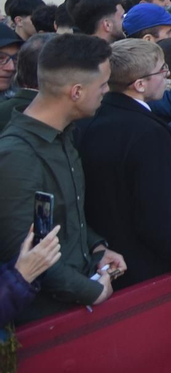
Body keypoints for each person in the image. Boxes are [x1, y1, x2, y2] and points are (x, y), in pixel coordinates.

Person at [0, 34, 127, 321]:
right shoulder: (17, 155)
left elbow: (63, 216)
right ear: (77, 92)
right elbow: (24, 252)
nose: (106, 91)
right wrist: (90, 291)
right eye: (103, 84)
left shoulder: (63, 134)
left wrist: (96, 247)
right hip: (44, 320)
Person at [75, 40, 171, 285]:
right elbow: (154, 214)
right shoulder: (148, 132)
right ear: (139, 84)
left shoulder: (88, 117)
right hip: (142, 266)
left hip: (100, 254)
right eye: (162, 70)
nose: (167, 74)